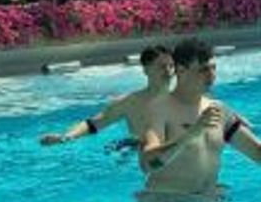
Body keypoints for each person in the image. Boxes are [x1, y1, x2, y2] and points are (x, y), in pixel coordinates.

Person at [140, 37, 261, 196]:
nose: (212, 75)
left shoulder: (219, 110)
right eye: (203, 69)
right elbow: (148, 164)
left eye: (214, 68)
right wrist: (191, 134)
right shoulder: (158, 110)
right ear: (181, 70)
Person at [40, 46, 175, 147]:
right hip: (138, 152)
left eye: (171, 66)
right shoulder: (130, 103)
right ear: (146, 69)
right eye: (162, 66)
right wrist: (66, 137)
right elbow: (93, 124)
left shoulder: (182, 98)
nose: (168, 71)